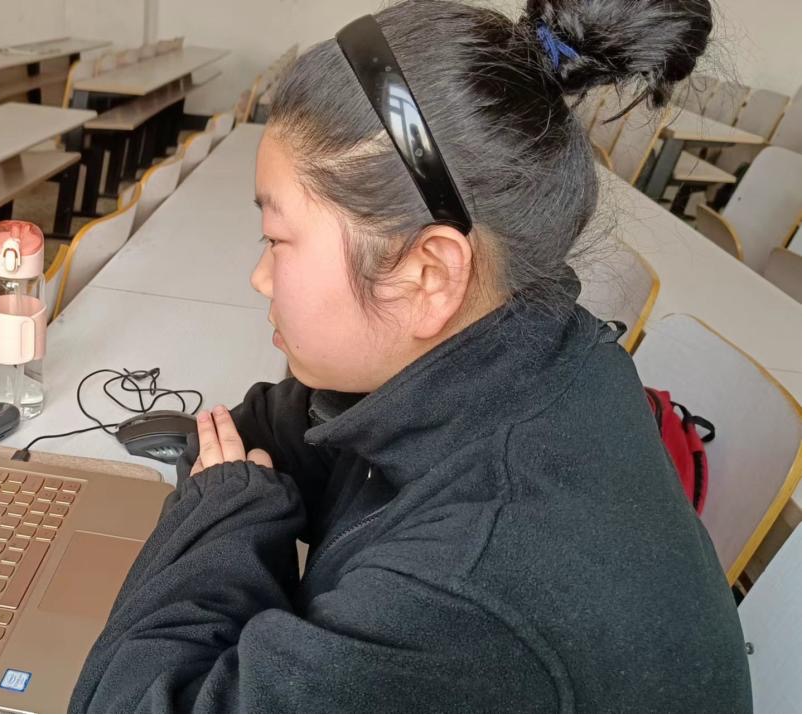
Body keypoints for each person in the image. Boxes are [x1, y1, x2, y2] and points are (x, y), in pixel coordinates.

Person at [70, 0, 752, 711]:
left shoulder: (468, 589)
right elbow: (289, 428)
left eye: (276, 239)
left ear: (429, 275)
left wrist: (225, 511)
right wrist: (238, 482)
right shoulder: (522, 348)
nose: (260, 276)